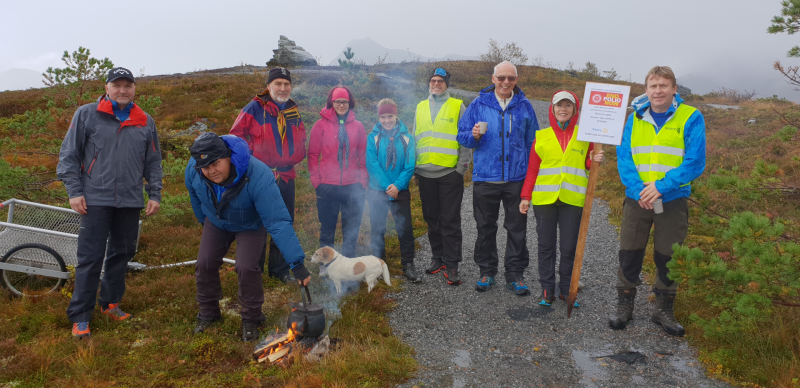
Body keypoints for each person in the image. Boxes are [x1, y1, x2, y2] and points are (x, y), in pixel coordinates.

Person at [57, 67, 163, 339]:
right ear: (107, 88)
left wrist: (154, 193)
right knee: (90, 258)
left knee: (122, 253)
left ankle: (110, 302)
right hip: (94, 199)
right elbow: (69, 156)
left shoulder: (145, 120)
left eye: (128, 85)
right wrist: (74, 191)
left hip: (129, 200)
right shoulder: (87, 114)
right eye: (117, 85)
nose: (122, 90)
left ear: (135, 89)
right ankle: (81, 316)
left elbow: (152, 162)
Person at [609, 66, 706, 337]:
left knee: (669, 254)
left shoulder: (691, 117)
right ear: (646, 90)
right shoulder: (634, 119)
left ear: (675, 89)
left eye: (664, 85)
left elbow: (696, 162)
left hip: (672, 199)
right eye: (653, 86)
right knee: (629, 251)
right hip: (636, 199)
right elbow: (624, 156)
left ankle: (663, 308)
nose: (658, 91)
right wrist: (640, 189)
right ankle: (624, 306)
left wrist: (661, 187)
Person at [185, 133, 311, 342]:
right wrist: (202, 220)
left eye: (216, 164)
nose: (210, 171)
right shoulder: (194, 169)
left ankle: (252, 319)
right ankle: (208, 313)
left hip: (250, 224)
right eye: (205, 167)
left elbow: (278, 222)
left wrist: (297, 264)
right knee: (205, 263)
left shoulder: (257, 175)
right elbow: (194, 195)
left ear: (228, 157)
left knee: (246, 267)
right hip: (216, 222)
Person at [457, 61, 538, 296]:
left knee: (517, 228)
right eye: (501, 78)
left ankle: (515, 273)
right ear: (493, 79)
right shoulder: (479, 104)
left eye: (510, 78)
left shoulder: (525, 106)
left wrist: (531, 175)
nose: (505, 82)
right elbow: (462, 135)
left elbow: (534, 142)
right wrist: (472, 137)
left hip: (516, 179)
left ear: (516, 79)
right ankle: (487, 270)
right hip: (485, 178)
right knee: (485, 227)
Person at [519, 90, 604, 307]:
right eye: (559, 105)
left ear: (575, 110)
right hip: (544, 201)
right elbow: (532, 170)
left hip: (572, 200)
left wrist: (595, 159)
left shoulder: (586, 136)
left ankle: (567, 290)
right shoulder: (542, 136)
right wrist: (525, 197)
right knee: (546, 246)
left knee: (569, 247)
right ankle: (547, 290)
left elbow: (587, 164)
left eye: (568, 105)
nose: (563, 109)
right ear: (552, 109)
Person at [230, 67, 306, 282]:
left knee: (284, 222)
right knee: (258, 224)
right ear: (269, 86)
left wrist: (297, 154)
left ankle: (279, 270)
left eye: (286, 84)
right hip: (259, 177)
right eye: (278, 84)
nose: (283, 88)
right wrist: (251, 166)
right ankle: (254, 270)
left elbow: (300, 138)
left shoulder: (293, 110)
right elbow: (235, 141)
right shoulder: (253, 109)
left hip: (286, 176)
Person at [413, 68, 471, 286]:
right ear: (429, 83)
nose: (436, 84)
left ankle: (452, 263)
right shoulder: (420, 107)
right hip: (424, 173)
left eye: (440, 81)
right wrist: (414, 168)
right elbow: (415, 136)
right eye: (433, 81)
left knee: (450, 220)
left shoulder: (457, 106)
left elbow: (464, 139)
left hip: (449, 173)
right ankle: (437, 258)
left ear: (446, 84)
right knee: (431, 218)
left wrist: (461, 168)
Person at [308, 86, 368, 257]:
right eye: (338, 101)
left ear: (350, 103)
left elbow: (362, 156)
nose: (342, 105)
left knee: (351, 228)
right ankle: (326, 263)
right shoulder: (320, 126)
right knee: (327, 227)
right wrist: (316, 181)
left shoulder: (358, 127)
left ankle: (348, 262)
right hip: (327, 185)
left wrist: (363, 180)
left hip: (353, 185)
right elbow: (313, 155)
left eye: (345, 102)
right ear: (331, 102)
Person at [365, 99, 418, 282]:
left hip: (400, 189)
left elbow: (410, 165)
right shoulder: (372, 138)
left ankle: (408, 264)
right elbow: (372, 165)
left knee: (405, 229)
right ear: (378, 117)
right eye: (383, 116)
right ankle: (379, 265)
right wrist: (388, 186)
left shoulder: (407, 138)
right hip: (378, 190)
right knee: (377, 229)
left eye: (390, 116)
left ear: (396, 115)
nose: (386, 120)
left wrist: (397, 185)